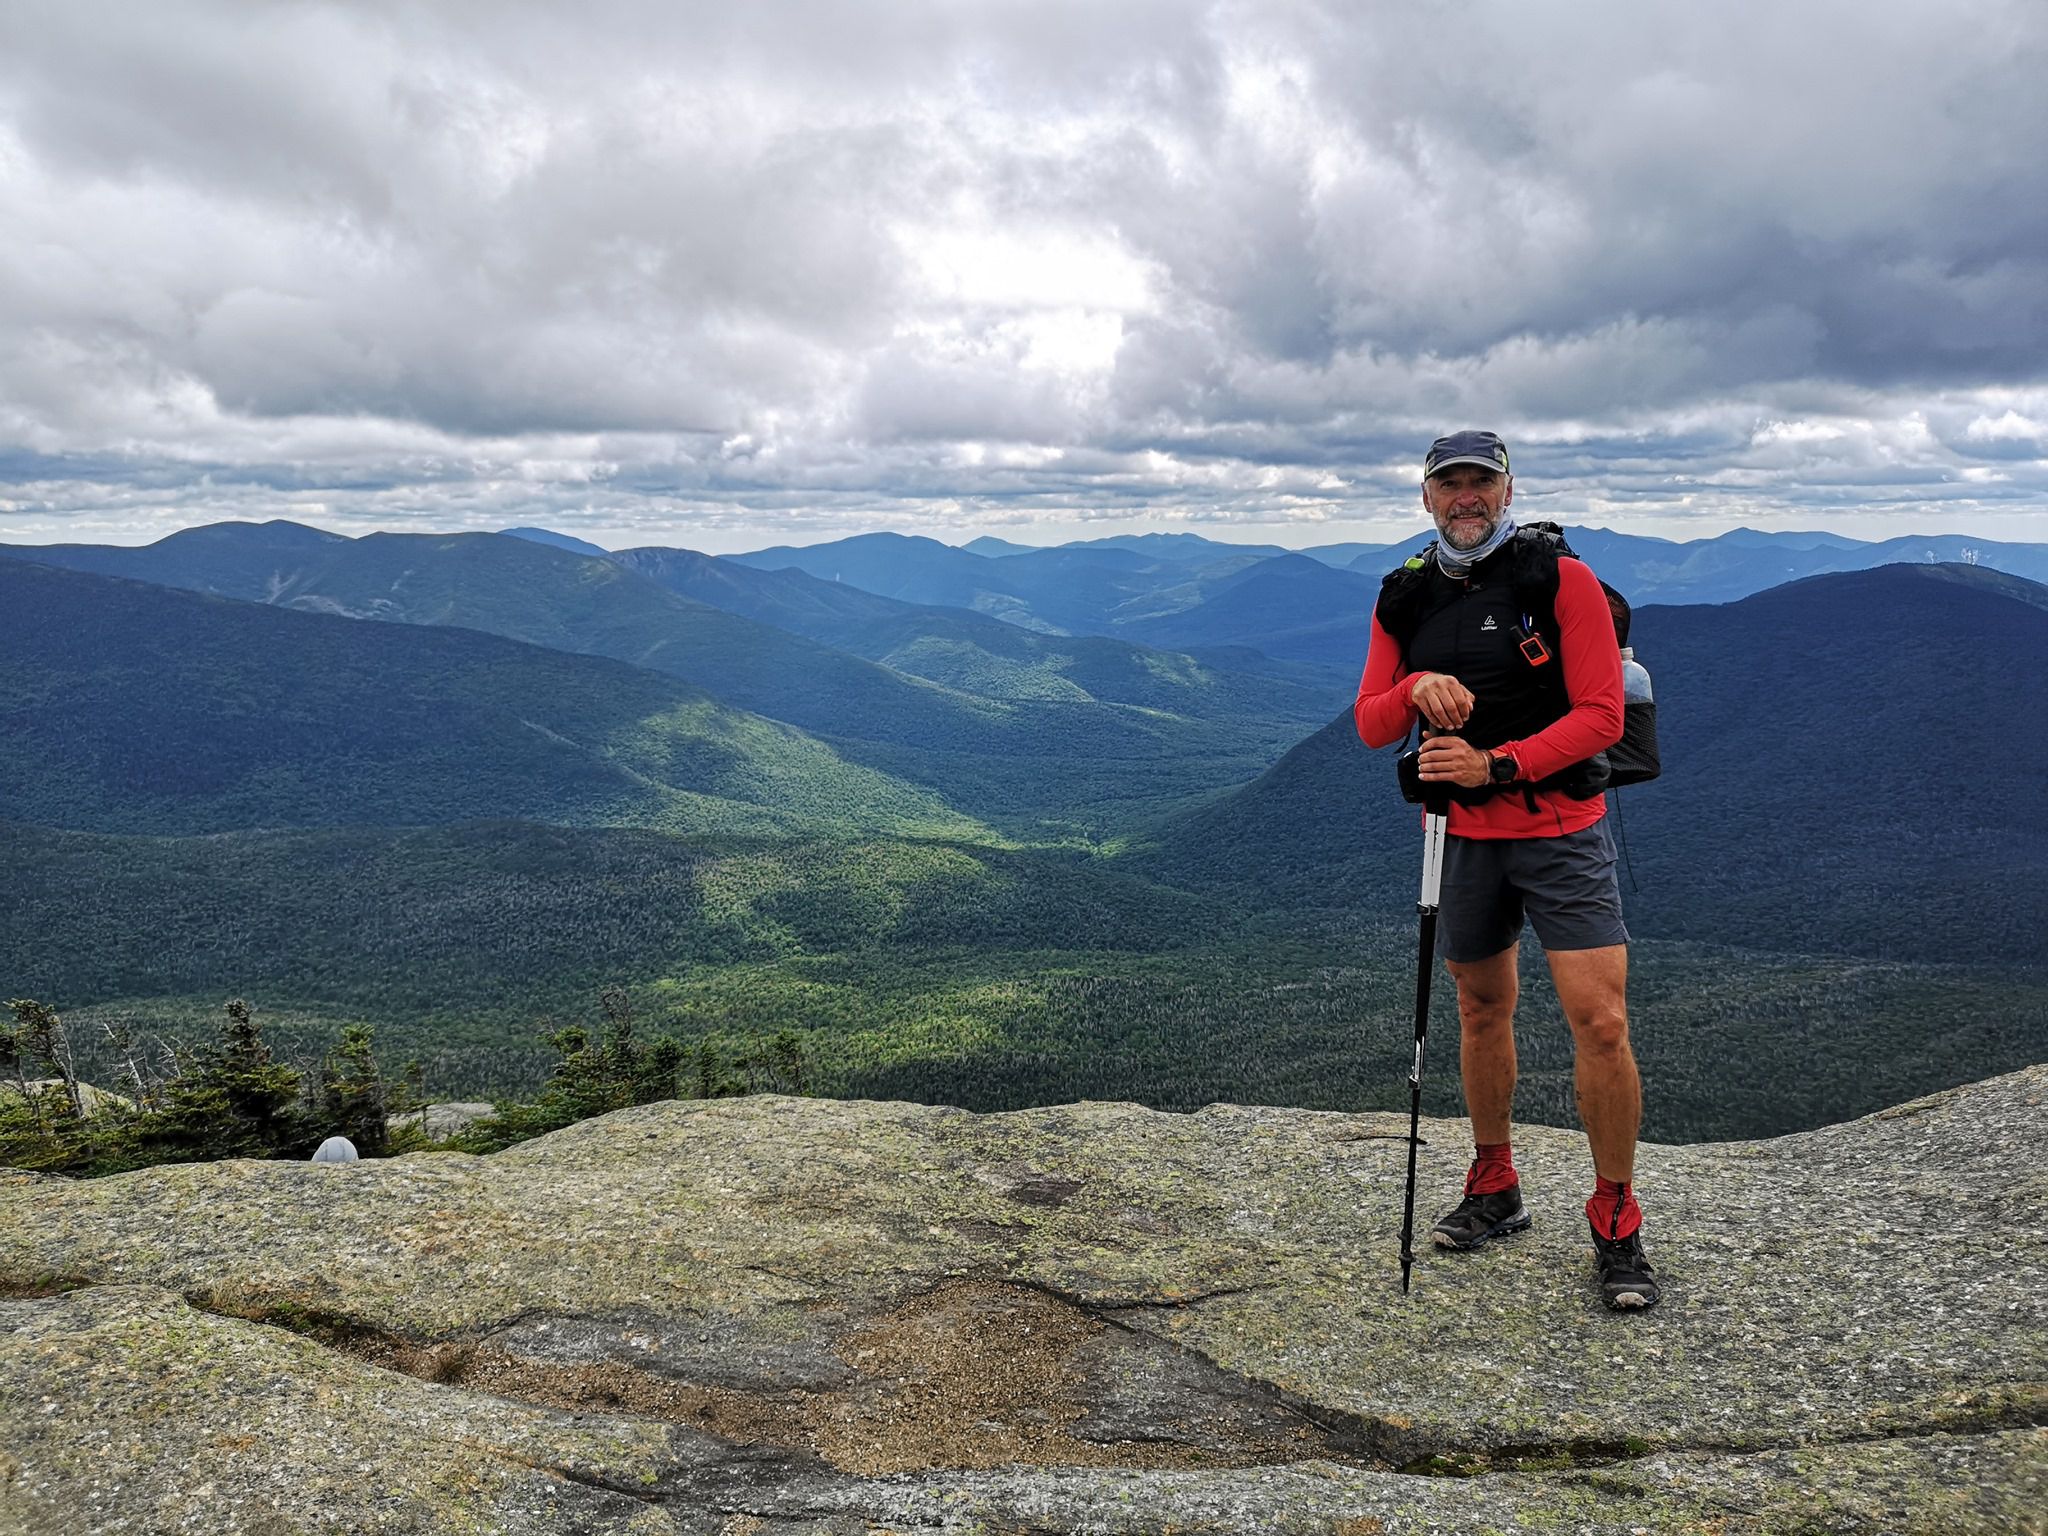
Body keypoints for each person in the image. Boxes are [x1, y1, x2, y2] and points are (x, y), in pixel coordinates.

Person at [1353, 429, 1658, 1310]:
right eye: (1449, 484)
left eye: (1479, 482)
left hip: (1561, 826)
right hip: (1461, 835)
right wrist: (1412, 691)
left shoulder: (1558, 581)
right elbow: (1372, 723)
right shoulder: (1404, 596)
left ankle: (1614, 1215)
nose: (1465, 498)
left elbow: (1602, 715)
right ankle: (1496, 1185)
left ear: (1507, 487)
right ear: (1425, 497)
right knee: (1481, 1007)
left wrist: (1499, 766)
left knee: (1599, 1022)